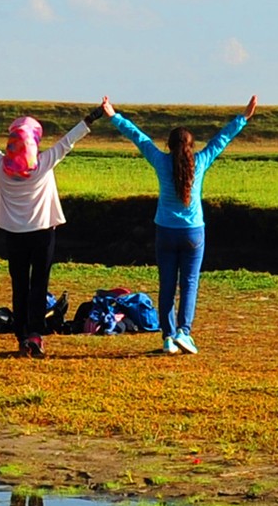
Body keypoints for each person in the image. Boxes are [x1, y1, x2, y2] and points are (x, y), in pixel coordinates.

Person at [100, 95, 257, 355]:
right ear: (191, 146)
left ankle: (168, 338)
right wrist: (244, 117)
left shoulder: (161, 162)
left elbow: (139, 138)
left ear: (169, 146)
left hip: (165, 232)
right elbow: (222, 139)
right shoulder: (201, 161)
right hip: (194, 233)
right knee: (190, 283)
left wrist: (113, 115)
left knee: (167, 285)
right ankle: (185, 332)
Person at [0, 89, 103, 358]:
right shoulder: (42, 164)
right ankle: (35, 335)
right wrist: (95, 115)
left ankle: (20, 335)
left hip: (14, 235)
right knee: (39, 284)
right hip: (42, 234)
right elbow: (68, 141)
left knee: (19, 284)